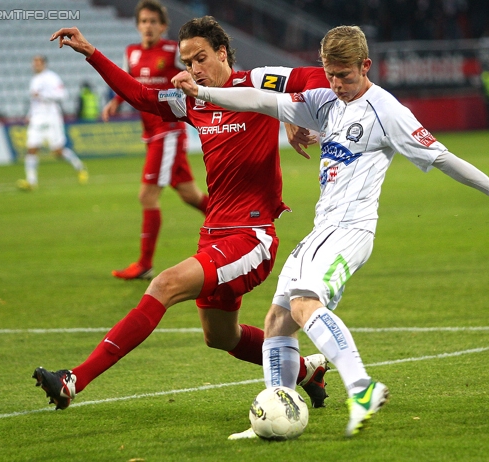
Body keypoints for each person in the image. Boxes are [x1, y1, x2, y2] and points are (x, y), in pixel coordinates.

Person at [172, 25, 489, 438]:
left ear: (365, 66)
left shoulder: (387, 110)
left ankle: (361, 387)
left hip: (351, 228)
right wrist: (202, 93)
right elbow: (260, 99)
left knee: (303, 303)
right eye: (330, 74)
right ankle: (277, 410)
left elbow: (442, 158)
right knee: (276, 320)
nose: (337, 84)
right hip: (323, 228)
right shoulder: (326, 100)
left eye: (345, 75)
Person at [33, 17, 332, 415]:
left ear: (222, 53)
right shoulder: (194, 98)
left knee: (165, 283)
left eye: (201, 58)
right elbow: (141, 96)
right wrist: (91, 53)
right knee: (221, 338)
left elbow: (315, 77)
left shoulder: (258, 81)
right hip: (213, 234)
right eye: (187, 61)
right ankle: (305, 371)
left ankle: (75, 380)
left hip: (251, 236)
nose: (193, 68)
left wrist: (297, 116)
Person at [103, 0, 209, 280]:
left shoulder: (173, 52)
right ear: (137, 25)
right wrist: (115, 101)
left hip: (168, 132)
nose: (148, 26)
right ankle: (235, 222)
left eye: (153, 21)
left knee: (147, 196)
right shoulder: (132, 53)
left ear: (163, 26)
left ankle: (145, 263)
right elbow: (129, 81)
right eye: (143, 21)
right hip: (151, 134)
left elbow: (195, 77)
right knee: (190, 195)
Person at [17, 55, 88, 191]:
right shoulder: (34, 80)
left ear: (44, 64)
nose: (35, 65)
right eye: (34, 63)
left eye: (38, 63)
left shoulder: (52, 77)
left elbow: (63, 95)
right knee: (31, 148)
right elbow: (34, 101)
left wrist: (44, 96)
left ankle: (79, 167)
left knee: (57, 152)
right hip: (37, 119)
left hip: (51, 118)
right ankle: (31, 182)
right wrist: (29, 115)